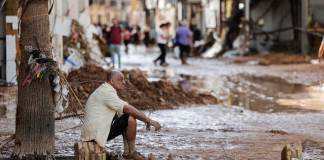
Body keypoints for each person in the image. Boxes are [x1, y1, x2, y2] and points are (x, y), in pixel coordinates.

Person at [81, 70, 161, 160]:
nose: (123, 82)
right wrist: (148, 120)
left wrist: (143, 118)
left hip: (93, 135)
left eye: (124, 80)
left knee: (127, 116)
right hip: (94, 136)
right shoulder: (107, 93)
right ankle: (131, 153)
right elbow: (128, 109)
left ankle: (127, 152)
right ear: (111, 81)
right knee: (130, 117)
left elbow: (124, 109)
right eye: (120, 80)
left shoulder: (105, 90)